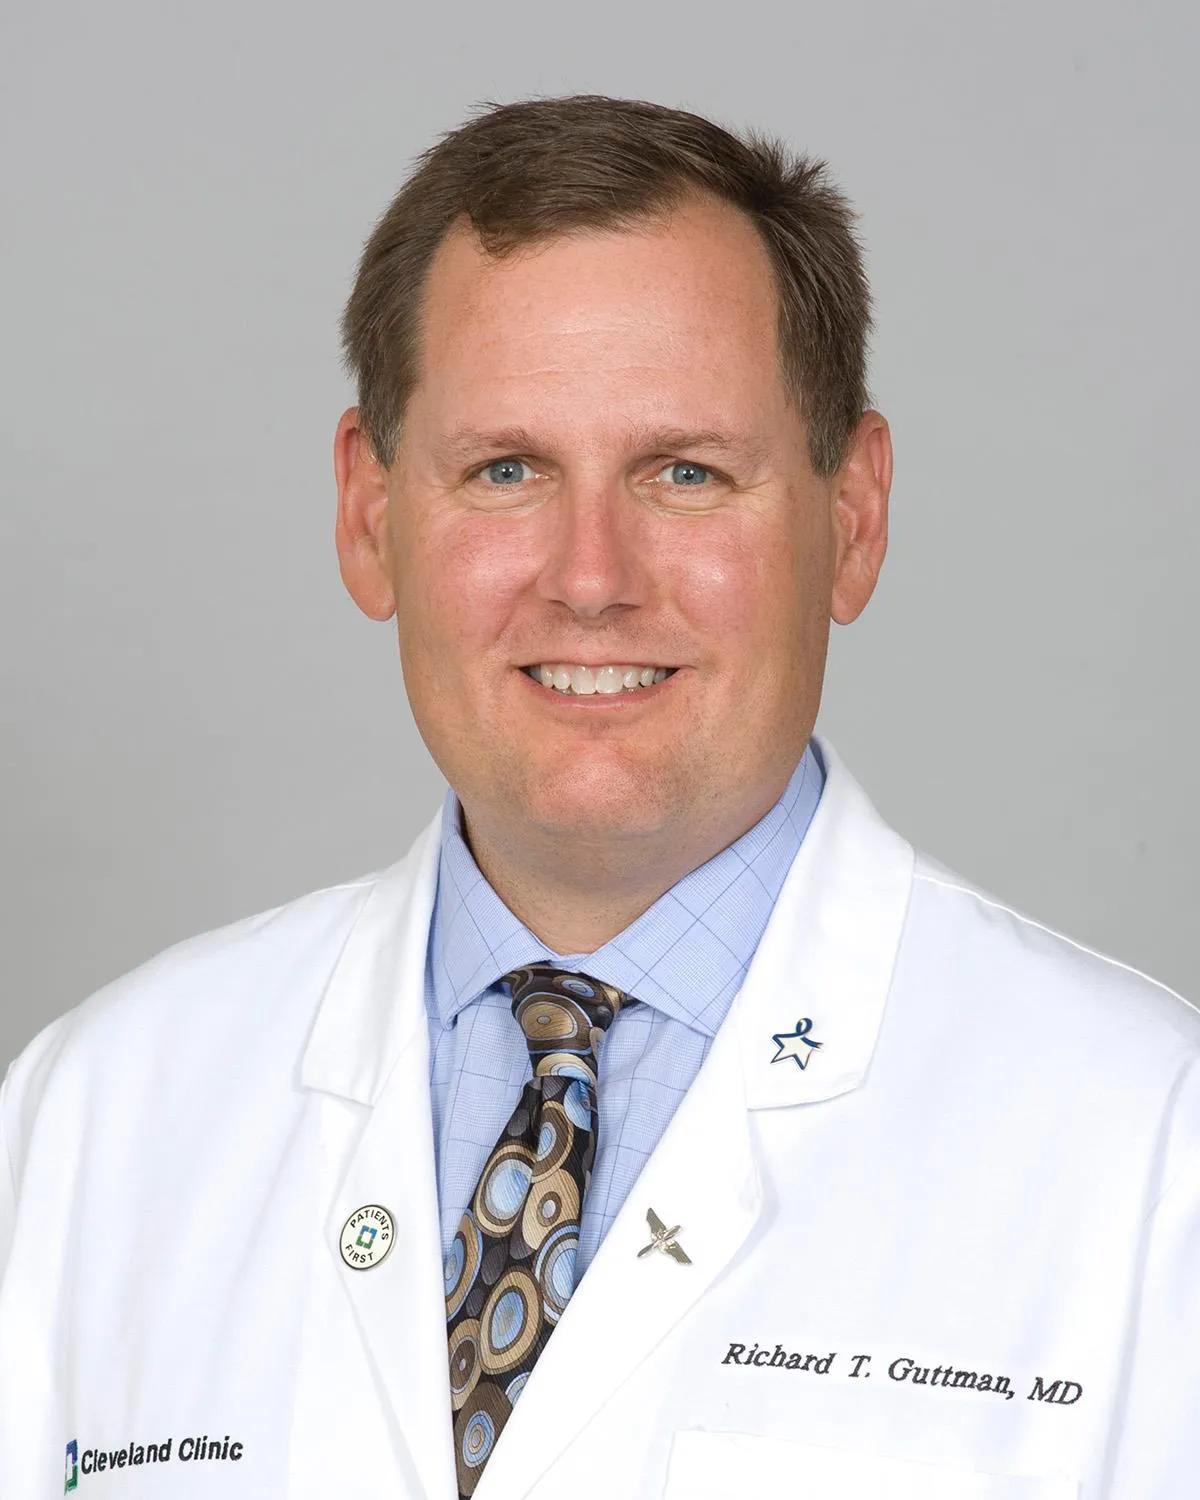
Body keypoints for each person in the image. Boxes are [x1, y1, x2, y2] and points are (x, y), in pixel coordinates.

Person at [0, 93, 1195, 1500]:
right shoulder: (94, 1118)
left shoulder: (1147, 1145)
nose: (590, 578)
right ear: (370, 516)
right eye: (505, 470)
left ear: (853, 518)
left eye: (685, 473)